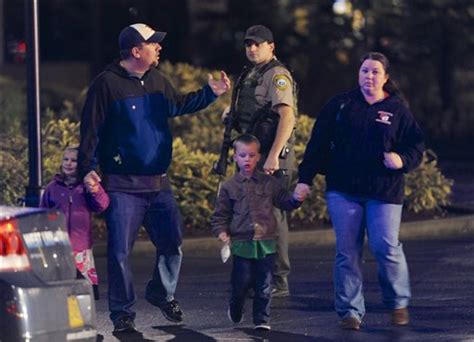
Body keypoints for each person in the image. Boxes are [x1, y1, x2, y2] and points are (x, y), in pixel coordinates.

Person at [77, 23, 230, 333]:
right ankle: (122, 314)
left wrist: (209, 94)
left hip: (159, 184)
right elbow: (90, 130)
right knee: (120, 253)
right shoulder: (106, 85)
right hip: (122, 187)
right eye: (153, 44)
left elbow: (177, 105)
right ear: (136, 51)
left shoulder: (158, 80)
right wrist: (87, 169)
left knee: (172, 243)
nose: (159, 48)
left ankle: (160, 291)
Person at [295, 52, 425, 330]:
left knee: (385, 247)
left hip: (384, 190)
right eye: (365, 71)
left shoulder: (397, 109)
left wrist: (402, 159)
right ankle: (350, 311)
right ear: (358, 74)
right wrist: (304, 179)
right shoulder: (341, 105)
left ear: (386, 77)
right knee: (347, 252)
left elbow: (416, 146)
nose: (369, 76)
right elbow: (317, 144)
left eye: (376, 72)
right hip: (343, 190)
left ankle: (398, 301)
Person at [224, 24, 297, 297]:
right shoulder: (251, 74)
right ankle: (258, 277)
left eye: (258, 43)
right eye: (248, 44)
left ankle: (277, 279)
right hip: (252, 155)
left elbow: (286, 117)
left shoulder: (277, 74)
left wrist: (274, 155)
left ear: (271, 46)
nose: (252, 48)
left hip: (269, 156)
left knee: (273, 217)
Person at [211, 134, 303, 331]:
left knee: (264, 284)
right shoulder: (229, 186)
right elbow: (219, 217)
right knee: (241, 282)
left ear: (258, 157)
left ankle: (262, 320)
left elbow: (284, 201)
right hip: (241, 243)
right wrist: (223, 235)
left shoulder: (268, 183)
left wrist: (297, 198)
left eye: (251, 155)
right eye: (242, 155)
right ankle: (235, 306)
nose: (247, 159)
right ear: (235, 157)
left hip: (266, 241)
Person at [40, 145, 110, 300]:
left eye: (74, 160)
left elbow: (102, 205)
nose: (68, 163)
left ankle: (82, 319)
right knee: (59, 290)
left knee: (82, 293)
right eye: (66, 159)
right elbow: (42, 213)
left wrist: (94, 188)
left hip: (80, 247)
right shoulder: (53, 187)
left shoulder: (85, 187)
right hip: (58, 246)